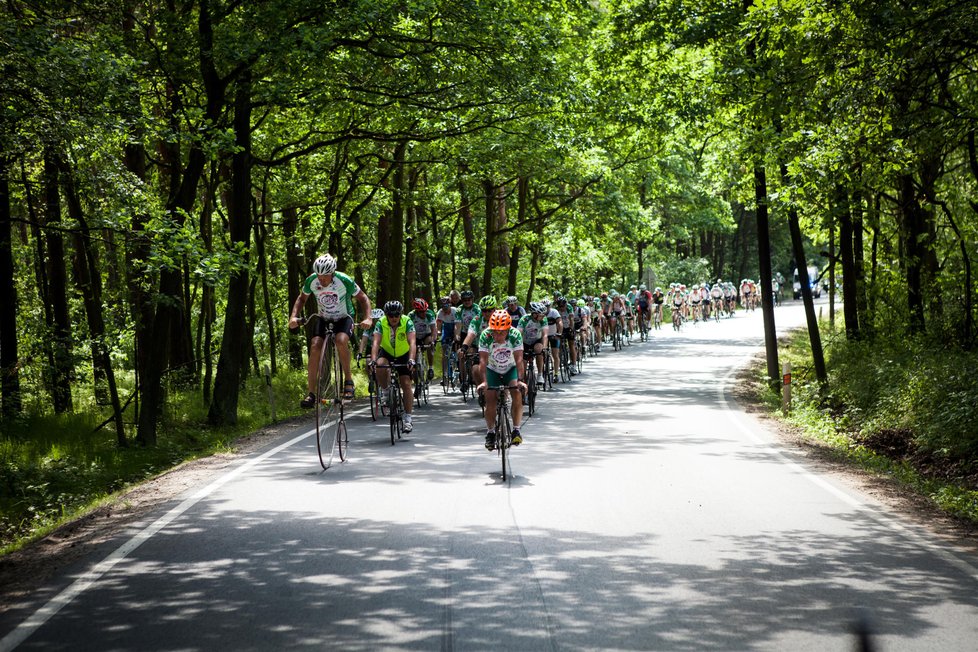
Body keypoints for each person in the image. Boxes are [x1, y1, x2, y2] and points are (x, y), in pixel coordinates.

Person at [289, 254, 372, 408]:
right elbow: (301, 299)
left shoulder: (344, 280)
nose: (321, 280)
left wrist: (368, 318)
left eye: (325, 277)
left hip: (344, 317)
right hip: (323, 317)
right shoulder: (311, 281)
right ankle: (311, 393)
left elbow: (363, 298)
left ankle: (348, 380)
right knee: (315, 345)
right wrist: (294, 317)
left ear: (332, 274)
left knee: (341, 341)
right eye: (319, 277)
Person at [477, 310, 526, 450]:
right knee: (490, 399)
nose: (497, 335)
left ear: (508, 329)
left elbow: (519, 360)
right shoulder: (486, 335)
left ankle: (516, 429)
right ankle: (491, 432)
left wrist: (520, 380)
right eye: (495, 332)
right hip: (492, 369)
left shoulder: (515, 335)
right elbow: (482, 360)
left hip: (510, 369)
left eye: (501, 332)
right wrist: (484, 382)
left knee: (516, 393)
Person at [370, 300, 417, 433]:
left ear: (400, 315)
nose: (394, 318)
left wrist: (412, 360)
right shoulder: (381, 322)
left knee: (406, 384)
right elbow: (376, 342)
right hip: (387, 352)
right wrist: (373, 360)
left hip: (404, 353)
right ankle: (385, 391)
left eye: (397, 315)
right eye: (391, 315)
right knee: (379, 365)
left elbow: (412, 342)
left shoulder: (407, 322)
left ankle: (408, 418)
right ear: (386, 315)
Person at [409, 298, 437, 380]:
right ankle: (415, 377)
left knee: (429, 343)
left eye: (425, 310)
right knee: (412, 354)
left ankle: (430, 367)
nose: (424, 313)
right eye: (421, 312)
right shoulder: (411, 315)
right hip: (415, 336)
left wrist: (433, 341)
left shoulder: (430, 314)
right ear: (416, 311)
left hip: (426, 334)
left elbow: (434, 330)